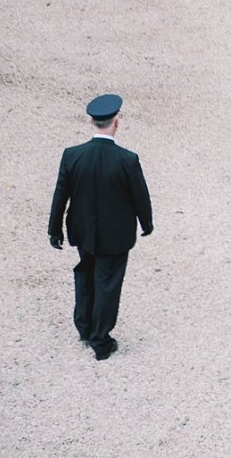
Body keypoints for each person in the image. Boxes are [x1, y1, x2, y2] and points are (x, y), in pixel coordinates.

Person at [48, 93, 154, 360]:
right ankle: (101, 340)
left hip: (82, 231)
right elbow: (139, 195)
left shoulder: (72, 155)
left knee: (85, 273)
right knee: (107, 284)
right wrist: (146, 222)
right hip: (115, 235)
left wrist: (54, 229)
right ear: (115, 123)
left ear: (92, 123)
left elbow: (61, 194)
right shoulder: (127, 160)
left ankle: (84, 327)